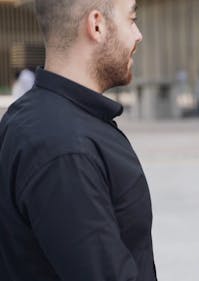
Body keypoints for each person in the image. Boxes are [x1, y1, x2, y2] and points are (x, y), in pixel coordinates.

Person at [0, 0, 157, 280]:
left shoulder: (30, 117)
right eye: (131, 19)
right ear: (96, 24)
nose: (138, 34)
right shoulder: (64, 149)